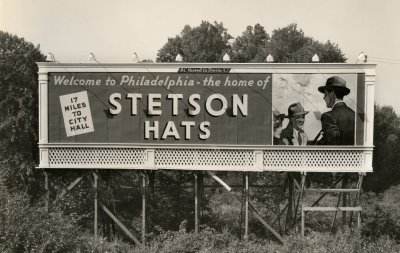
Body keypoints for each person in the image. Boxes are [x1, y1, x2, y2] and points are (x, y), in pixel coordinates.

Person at [317, 76, 355, 145]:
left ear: (332, 94)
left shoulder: (328, 116)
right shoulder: (354, 114)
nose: (324, 98)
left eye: (325, 94)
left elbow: (332, 149)